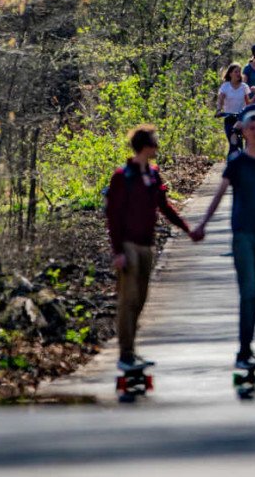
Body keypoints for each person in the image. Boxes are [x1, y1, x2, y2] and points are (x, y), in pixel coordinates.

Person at [191, 111, 255, 370]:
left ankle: (247, 347)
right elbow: (220, 194)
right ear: (243, 132)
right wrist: (203, 223)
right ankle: (243, 352)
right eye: (251, 128)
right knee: (248, 292)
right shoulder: (236, 162)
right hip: (243, 234)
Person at [106, 125, 194, 371]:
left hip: (147, 245)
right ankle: (125, 354)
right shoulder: (122, 177)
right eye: (155, 143)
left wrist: (187, 229)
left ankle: (132, 350)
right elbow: (112, 216)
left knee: (141, 300)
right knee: (128, 300)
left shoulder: (153, 174)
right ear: (145, 146)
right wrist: (118, 252)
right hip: (128, 246)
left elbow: (163, 206)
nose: (157, 147)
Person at [217, 63, 254, 155]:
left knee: (245, 143)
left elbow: (248, 103)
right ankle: (232, 164)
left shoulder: (244, 87)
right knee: (234, 143)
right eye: (236, 72)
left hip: (242, 119)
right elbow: (220, 99)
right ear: (230, 74)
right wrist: (218, 110)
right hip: (229, 118)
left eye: (239, 72)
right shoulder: (225, 86)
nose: (238, 74)